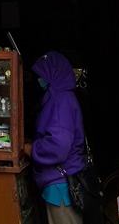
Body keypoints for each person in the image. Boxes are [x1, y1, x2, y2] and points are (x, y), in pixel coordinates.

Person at [24, 51, 90, 224]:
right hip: (60, 181)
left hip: (61, 185)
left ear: (53, 75)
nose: (39, 80)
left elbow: (58, 145)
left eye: (42, 75)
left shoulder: (61, 100)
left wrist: (33, 149)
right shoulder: (58, 98)